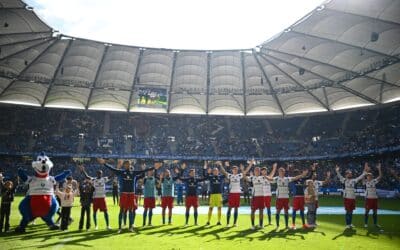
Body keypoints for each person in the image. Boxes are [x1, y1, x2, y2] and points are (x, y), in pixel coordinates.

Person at [98, 158, 161, 233]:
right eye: (126, 164)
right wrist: (104, 164)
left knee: (131, 210)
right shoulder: (121, 172)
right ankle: (120, 227)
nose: (127, 165)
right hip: (124, 194)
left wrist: (154, 167)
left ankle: (130, 227)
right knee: (121, 210)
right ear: (124, 165)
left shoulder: (133, 172)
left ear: (130, 165)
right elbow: (113, 169)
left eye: (129, 164)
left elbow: (143, 171)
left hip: (131, 194)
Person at [219, 160, 253, 227]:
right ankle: (228, 223)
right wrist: (220, 165)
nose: (235, 170)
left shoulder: (239, 175)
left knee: (236, 208)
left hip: (237, 194)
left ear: (237, 170)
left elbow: (245, 171)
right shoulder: (230, 175)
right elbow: (224, 172)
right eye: (234, 169)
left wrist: (251, 164)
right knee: (230, 208)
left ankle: (235, 223)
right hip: (231, 194)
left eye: (236, 169)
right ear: (232, 170)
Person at [79, 165, 111, 230]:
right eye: (98, 173)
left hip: (102, 198)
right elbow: (87, 176)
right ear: (97, 174)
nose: (99, 174)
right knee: (94, 212)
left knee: (105, 211)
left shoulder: (104, 179)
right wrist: (83, 170)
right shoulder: (94, 180)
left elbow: (111, 176)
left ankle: (108, 226)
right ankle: (96, 226)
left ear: (102, 174)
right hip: (95, 198)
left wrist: (116, 168)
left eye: (100, 173)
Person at [336, 163, 368, 229]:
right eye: (349, 173)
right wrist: (337, 171)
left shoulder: (354, 180)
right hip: (347, 198)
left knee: (351, 212)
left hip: (353, 198)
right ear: (346, 175)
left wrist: (364, 170)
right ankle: (347, 224)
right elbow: (339, 176)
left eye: (351, 173)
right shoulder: (344, 180)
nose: (351, 174)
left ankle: (350, 224)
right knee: (348, 212)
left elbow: (361, 177)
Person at [204, 161, 225, 226]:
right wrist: (207, 170)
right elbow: (205, 176)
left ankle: (219, 221)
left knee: (219, 208)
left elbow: (225, 173)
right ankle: (208, 221)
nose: (216, 172)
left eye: (217, 171)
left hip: (219, 195)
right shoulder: (210, 177)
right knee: (211, 208)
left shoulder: (221, 177)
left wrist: (221, 165)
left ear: (218, 172)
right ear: (213, 172)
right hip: (212, 195)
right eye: (214, 171)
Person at [364, 163, 382, 229]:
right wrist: (365, 168)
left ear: (371, 177)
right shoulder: (365, 182)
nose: (369, 177)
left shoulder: (374, 181)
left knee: (375, 212)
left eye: (370, 176)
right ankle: (365, 223)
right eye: (368, 176)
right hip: (368, 198)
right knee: (367, 211)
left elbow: (380, 176)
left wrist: (379, 169)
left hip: (375, 199)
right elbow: (363, 176)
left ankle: (375, 224)